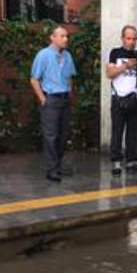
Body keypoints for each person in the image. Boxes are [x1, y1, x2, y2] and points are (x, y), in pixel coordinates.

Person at [30, 25, 77, 182]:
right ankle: (52, 169)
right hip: (51, 98)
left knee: (63, 135)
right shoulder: (43, 55)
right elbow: (34, 79)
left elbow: (70, 76)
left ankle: (57, 164)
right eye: (62, 36)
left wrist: (70, 92)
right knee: (51, 135)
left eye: (66, 36)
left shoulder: (68, 56)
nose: (66, 39)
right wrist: (42, 98)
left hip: (64, 98)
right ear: (53, 37)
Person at [105, 24, 137, 174]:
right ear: (123, 39)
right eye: (128, 38)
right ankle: (116, 161)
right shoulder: (115, 53)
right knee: (117, 131)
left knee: (133, 132)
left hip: (136, 99)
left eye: (134, 39)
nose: (131, 41)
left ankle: (131, 160)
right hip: (119, 99)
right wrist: (126, 66)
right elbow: (110, 73)